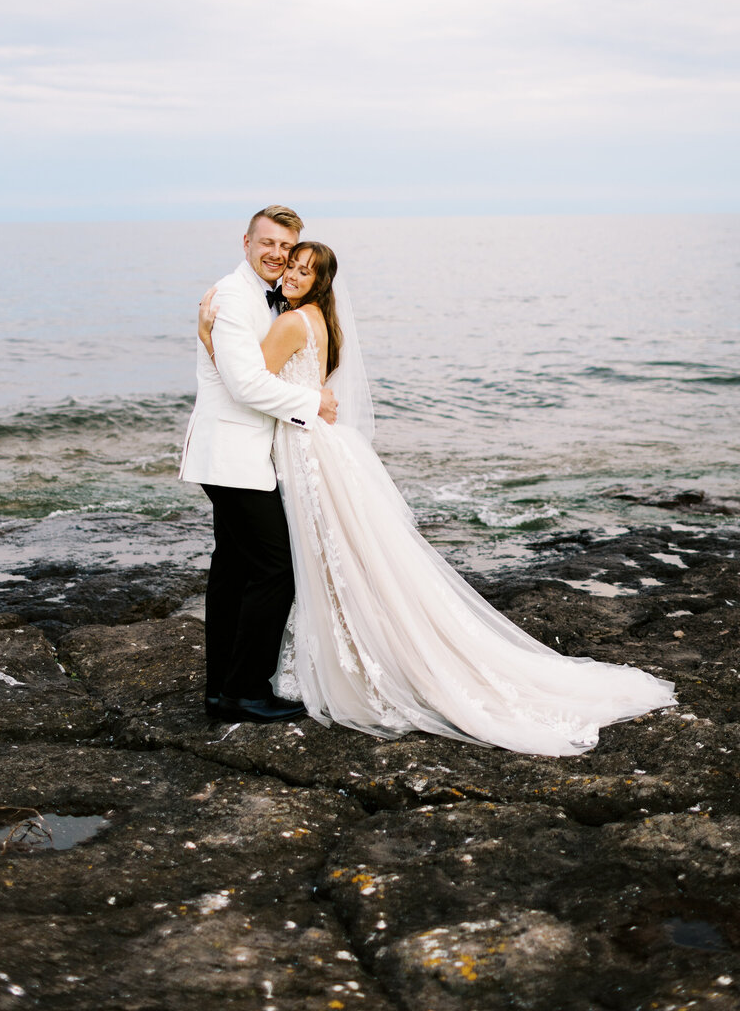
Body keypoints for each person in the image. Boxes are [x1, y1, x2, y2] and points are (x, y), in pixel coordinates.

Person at [198, 241, 676, 756]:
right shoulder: (322, 322)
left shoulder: (292, 323)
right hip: (319, 444)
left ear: (320, 280)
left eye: (304, 269)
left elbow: (243, 381)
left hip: (304, 449)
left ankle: (330, 662)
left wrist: (208, 334)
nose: (292, 272)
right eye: (291, 264)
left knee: (321, 559)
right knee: (339, 558)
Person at [179, 207, 338, 724]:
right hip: (230, 455)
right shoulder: (229, 296)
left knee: (233, 570)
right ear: (246, 241)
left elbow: (250, 370)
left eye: (286, 249)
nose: (276, 255)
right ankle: (245, 691)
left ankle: (222, 688)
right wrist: (312, 401)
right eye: (266, 243)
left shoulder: (271, 299)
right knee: (277, 568)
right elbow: (246, 384)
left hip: (244, 454)